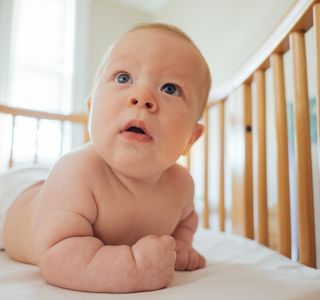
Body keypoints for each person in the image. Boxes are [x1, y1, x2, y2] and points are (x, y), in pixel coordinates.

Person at [1, 23, 211, 293]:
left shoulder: (182, 186)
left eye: (170, 88)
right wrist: (134, 269)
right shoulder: (75, 172)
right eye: (124, 78)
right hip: (11, 199)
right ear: (91, 110)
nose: (142, 97)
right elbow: (56, 257)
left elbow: (186, 220)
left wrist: (182, 244)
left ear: (191, 139)